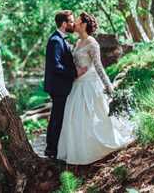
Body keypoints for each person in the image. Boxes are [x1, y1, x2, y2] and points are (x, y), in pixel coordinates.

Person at [57, 12, 135, 164]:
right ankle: (81, 151)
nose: (74, 25)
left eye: (77, 23)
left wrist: (109, 87)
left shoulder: (93, 44)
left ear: (84, 25)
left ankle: (99, 148)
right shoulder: (78, 42)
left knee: (96, 116)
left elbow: (99, 67)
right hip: (77, 85)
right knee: (76, 119)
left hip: (90, 85)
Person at [43, 10, 87, 159]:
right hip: (58, 87)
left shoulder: (61, 39)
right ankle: (51, 151)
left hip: (62, 85)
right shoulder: (55, 40)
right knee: (57, 118)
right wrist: (75, 73)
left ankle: (54, 149)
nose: (73, 24)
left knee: (59, 117)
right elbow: (56, 66)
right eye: (71, 21)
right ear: (64, 24)